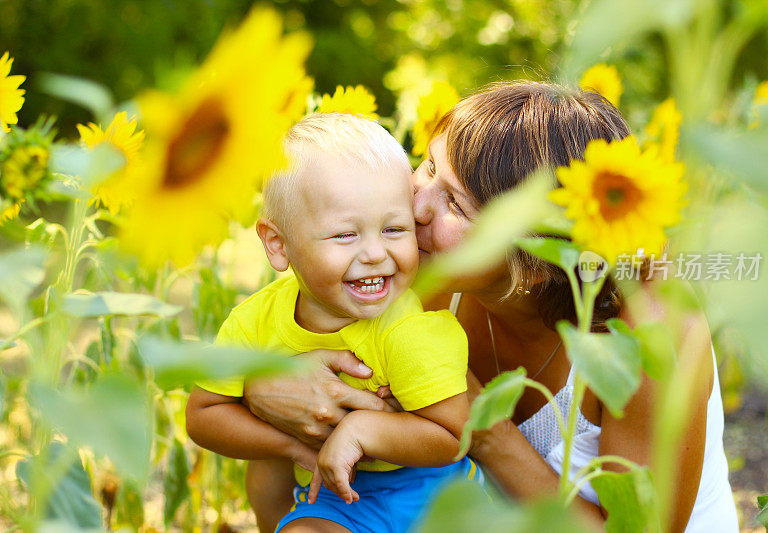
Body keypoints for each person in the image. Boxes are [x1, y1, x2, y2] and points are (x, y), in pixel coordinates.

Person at [242, 82, 739, 532]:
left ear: (541, 255)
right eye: (430, 166)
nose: (415, 206)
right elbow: (312, 346)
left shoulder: (651, 332)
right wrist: (269, 380)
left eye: (456, 205)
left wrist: (480, 428)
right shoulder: (424, 270)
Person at [185, 112, 483, 533]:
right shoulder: (254, 322)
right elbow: (203, 415)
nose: (376, 253)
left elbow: (453, 437)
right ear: (278, 244)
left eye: (395, 229)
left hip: (438, 499)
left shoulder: (411, 329)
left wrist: (362, 431)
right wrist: (291, 442)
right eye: (346, 235)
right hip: (336, 500)